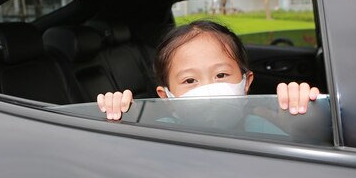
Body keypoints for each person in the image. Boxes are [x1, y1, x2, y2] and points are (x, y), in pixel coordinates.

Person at [97, 20, 319, 121]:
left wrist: (299, 112)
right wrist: (120, 117)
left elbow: (308, 139)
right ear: (166, 97)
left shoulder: (265, 122)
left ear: (246, 81)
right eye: (190, 80)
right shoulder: (159, 133)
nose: (209, 89)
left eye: (221, 75)